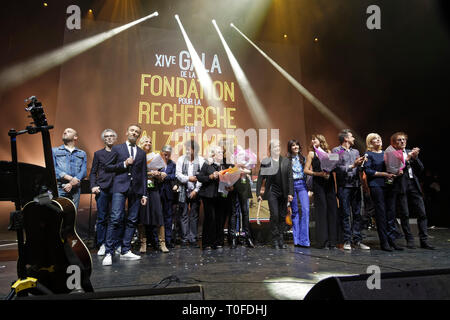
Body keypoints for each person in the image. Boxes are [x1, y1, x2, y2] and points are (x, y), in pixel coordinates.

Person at [102, 124, 147, 266]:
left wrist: (145, 194)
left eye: (137, 132)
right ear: (127, 132)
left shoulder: (141, 153)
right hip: (119, 187)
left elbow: (143, 174)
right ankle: (109, 252)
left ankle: (126, 250)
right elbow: (107, 167)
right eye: (132, 130)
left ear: (139, 136)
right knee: (115, 218)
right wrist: (123, 164)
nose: (134, 133)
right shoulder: (117, 148)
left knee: (132, 220)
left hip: (136, 189)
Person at [385, 132, 435, 250]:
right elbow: (393, 170)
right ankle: (410, 239)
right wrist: (406, 159)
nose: (402, 142)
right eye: (399, 140)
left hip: (413, 184)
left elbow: (421, 169)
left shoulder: (409, 152)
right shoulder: (392, 154)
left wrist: (415, 158)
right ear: (393, 143)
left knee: (422, 213)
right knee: (405, 214)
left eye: (404, 140)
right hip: (401, 185)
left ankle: (424, 240)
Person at [363, 133, 403, 252]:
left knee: (391, 213)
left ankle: (392, 240)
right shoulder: (368, 154)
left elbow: (393, 166)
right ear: (370, 142)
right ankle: (384, 242)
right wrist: (383, 174)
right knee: (381, 214)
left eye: (379, 138)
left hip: (389, 185)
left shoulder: (386, 153)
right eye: (375, 139)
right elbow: (368, 171)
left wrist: (397, 171)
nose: (379, 140)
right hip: (376, 185)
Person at [332, 129, 369, 250]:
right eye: (352, 137)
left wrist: (362, 163)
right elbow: (335, 168)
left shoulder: (356, 151)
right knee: (345, 214)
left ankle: (357, 240)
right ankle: (347, 240)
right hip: (344, 187)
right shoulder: (335, 151)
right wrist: (353, 165)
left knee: (358, 214)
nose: (354, 139)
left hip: (356, 186)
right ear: (346, 138)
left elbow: (358, 169)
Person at [256, 139, 293, 249]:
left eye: (278, 146)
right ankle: (275, 239)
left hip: (284, 192)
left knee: (282, 216)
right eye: (274, 147)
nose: (277, 149)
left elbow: (290, 178)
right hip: (272, 191)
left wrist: (291, 193)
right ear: (270, 149)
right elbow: (260, 178)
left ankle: (281, 238)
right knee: (275, 215)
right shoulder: (266, 161)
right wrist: (258, 193)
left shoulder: (286, 161)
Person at [304, 134, 339, 249]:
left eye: (315, 139)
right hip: (318, 183)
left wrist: (331, 170)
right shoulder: (311, 154)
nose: (313, 140)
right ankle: (322, 241)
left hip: (329, 183)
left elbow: (335, 166)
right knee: (322, 210)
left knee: (332, 209)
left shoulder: (329, 151)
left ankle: (332, 240)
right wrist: (318, 174)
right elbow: (306, 170)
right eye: (312, 139)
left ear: (321, 140)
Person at [138, 136, 169, 254]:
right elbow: (136, 174)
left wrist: (160, 175)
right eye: (146, 141)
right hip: (141, 190)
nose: (148, 143)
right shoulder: (138, 156)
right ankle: (143, 243)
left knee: (158, 215)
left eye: (150, 142)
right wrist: (151, 173)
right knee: (143, 216)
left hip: (154, 189)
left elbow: (160, 178)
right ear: (141, 143)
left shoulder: (155, 156)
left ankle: (162, 243)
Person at [89, 129, 117, 256]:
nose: (109, 138)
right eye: (107, 136)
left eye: (111, 136)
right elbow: (93, 172)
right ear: (103, 139)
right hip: (102, 189)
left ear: (115, 138)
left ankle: (115, 244)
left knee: (116, 218)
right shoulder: (98, 153)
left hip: (117, 188)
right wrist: (94, 186)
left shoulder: (119, 152)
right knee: (102, 218)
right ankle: (102, 244)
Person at [176, 140, 205, 248]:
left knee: (194, 215)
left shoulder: (201, 160)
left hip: (195, 192)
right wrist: (188, 178)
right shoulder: (181, 159)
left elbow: (202, 177)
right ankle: (184, 239)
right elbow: (178, 174)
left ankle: (193, 239)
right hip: (183, 190)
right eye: (186, 148)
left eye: (189, 149)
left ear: (195, 150)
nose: (187, 151)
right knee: (183, 214)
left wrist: (196, 190)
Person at [52, 128, 87, 209]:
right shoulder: (54, 151)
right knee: (58, 213)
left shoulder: (82, 153)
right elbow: (53, 168)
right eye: (64, 131)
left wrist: (71, 183)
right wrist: (71, 179)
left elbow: (83, 171)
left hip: (75, 188)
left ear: (75, 137)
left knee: (72, 215)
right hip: (60, 187)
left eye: (69, 131)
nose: (65, 132)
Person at [196, 145, 223, 250]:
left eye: (222, 152)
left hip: (220, 195)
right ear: (213, 154)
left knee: (218, 219)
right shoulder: (207, 163)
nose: (221, 154)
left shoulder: (223, 165)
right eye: (219, 152)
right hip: (208, 195)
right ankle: (207, 243)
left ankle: (217, 242)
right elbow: (199, 177)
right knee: (209, 218)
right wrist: (210, 177)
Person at [229, 147, 255, 249]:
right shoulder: (231, 159)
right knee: (234, 212)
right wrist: (237, 167)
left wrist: (244, 169)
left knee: (245, 212)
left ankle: (247, 237)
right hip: (234, 186)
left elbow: (249, 171)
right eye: (238, 154)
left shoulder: (247, 160)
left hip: (244, 186)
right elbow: (229, 171)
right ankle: (233, 238)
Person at [287, 139, 310, 247]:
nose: (295, 147)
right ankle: (296, 240)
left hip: (302, 185)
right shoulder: (287, 160)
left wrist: (309, 189)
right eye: (293, 145)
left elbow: (308, 174)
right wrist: (288, 192)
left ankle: (304, 240)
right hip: (292, 186)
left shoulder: (304, 158)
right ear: (290, 148)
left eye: (297, 145)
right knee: (295, 211)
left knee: (305, 210)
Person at [159, 145, 177, 249]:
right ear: (161, 153)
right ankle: (157, 240)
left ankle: (168, 240)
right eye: (165, 154)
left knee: (168, 217)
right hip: (157, 193)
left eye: (168, 154)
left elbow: (174, 175)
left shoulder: (172, 164)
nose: (166, 156)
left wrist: (165, 175)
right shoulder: (156, 163)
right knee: (157, 217)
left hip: (168, 194)